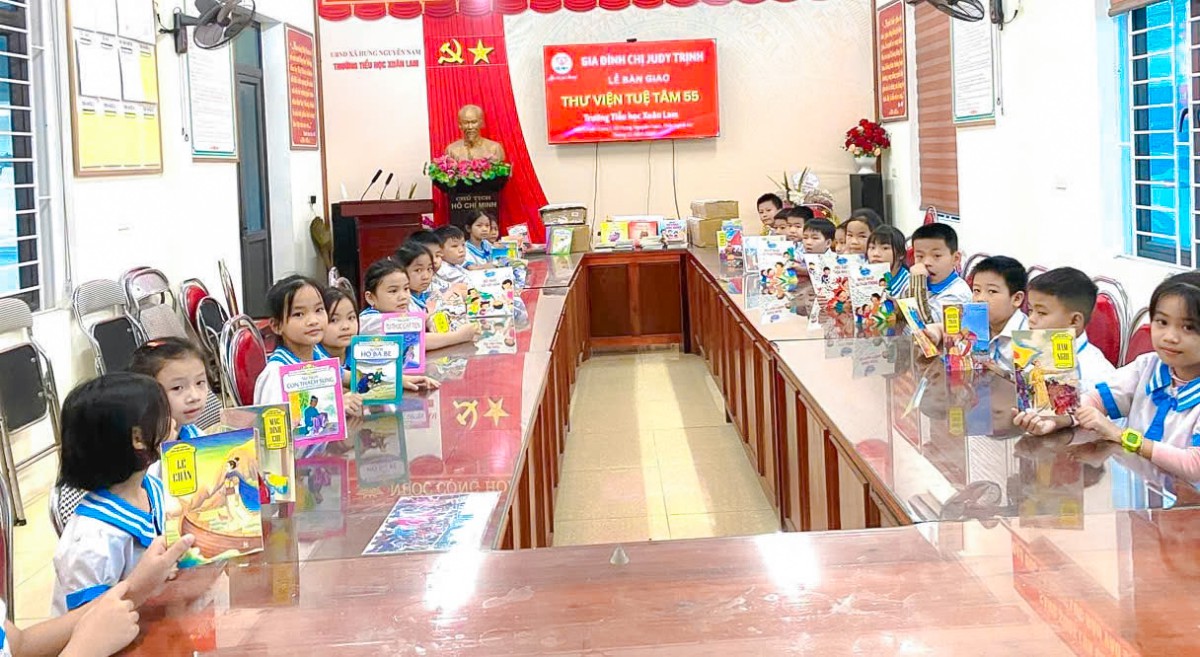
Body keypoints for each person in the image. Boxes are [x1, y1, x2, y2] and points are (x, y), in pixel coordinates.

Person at [1015, 272, 1200, 481]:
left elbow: (1194, 466)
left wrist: (1120, 436)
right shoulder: (1149, 366)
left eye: (1188, 327)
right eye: (1162, 322)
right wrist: (1058, 421)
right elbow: (1096, 400)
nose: (1170, 337)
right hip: (1143, 489)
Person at [52, 373, 183, 617]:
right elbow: (91, 621)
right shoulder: (91, 541)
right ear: (138, 438)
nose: (173, 421)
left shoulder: (153, 488)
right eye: (163, 416)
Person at [252, 276, 362, 417]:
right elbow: (273, 422)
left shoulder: (319, 357)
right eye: (299, 314)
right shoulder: (276, 374)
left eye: (319, 310)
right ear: (277, 326)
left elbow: (352, 378)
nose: (313, 321)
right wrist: (336, 406)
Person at [322, 286, 440, 393]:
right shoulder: (314, 358)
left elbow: (373, 377)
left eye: (351, 317)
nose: (346, 326)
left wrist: (400, 380)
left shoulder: (361, 351)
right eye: (334, 320)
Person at [1026, 267, 1116, 392]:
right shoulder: (1031, 351)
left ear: (1074, 321)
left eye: (1041, 312)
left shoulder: (1097, 377)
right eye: (1030, 310)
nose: (1031, 319)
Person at [396, 243, 479, 351]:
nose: (426, 276)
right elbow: (413, 342)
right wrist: (459, 336)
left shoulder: (426, 295)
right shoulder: (401, 303)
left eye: (429, 269)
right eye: (418, 270)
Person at [129, 338, 210, 441]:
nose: (194, 397)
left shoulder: (191, 432)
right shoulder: (138, 443)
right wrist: (165, 447)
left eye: (200, 382)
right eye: (177, 388)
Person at [971, 256, 1028, 371]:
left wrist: (1003, 375)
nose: (980, 299)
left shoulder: (1028, 338)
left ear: (1017, 298)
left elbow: (1031, 380)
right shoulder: (974, 323)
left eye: (992, 291)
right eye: (977, 290)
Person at [910, 223, 971, 322]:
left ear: (956, 258)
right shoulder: (922, 281)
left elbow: (926, 324)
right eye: (920, 256)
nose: (926, 263)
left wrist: (918, 282)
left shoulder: (958, 293)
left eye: (937, 255)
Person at [358, 258, 411, 335]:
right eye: (393, 291)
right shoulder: (369, 322)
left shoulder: (408, 310)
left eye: (406, 288)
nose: (403, 297)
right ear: (370, 298)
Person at [867, 226, 910, 298]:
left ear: (901, 254)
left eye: (885, 248)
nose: (875, 254)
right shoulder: (864, 279)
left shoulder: (908, 283)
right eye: (872, 247)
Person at [434, 224, 470, 295]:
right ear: (439, 250)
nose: (461, 250)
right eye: (454, 246)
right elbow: (469, 284)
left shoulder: (453, 264)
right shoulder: (443, 269)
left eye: (463, 245)